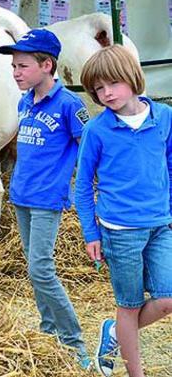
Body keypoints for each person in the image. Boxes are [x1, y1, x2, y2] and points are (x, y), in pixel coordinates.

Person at [75, 44, 172, 377]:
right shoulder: (97, 131)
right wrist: (91, 232)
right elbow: (83, 186)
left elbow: (171, 166)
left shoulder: (164, 117)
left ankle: (114, 333)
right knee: (128, 306)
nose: (105, 93)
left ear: (132, 78)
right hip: (119, 231)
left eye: (111, 84)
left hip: (161, 224)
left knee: (167, 299)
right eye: (98, 89)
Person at [0, 29, 91, 368]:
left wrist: (79, 184)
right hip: (21, 194)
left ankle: (73, 341)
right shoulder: (25, 101)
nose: (16, 72)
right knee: (35, 268)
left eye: (22, 66)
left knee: (40, 268)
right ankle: (48, 332)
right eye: (13, 66)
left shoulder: (69, 105)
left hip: (47, 198)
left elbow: (88, 146)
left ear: (46, 65)